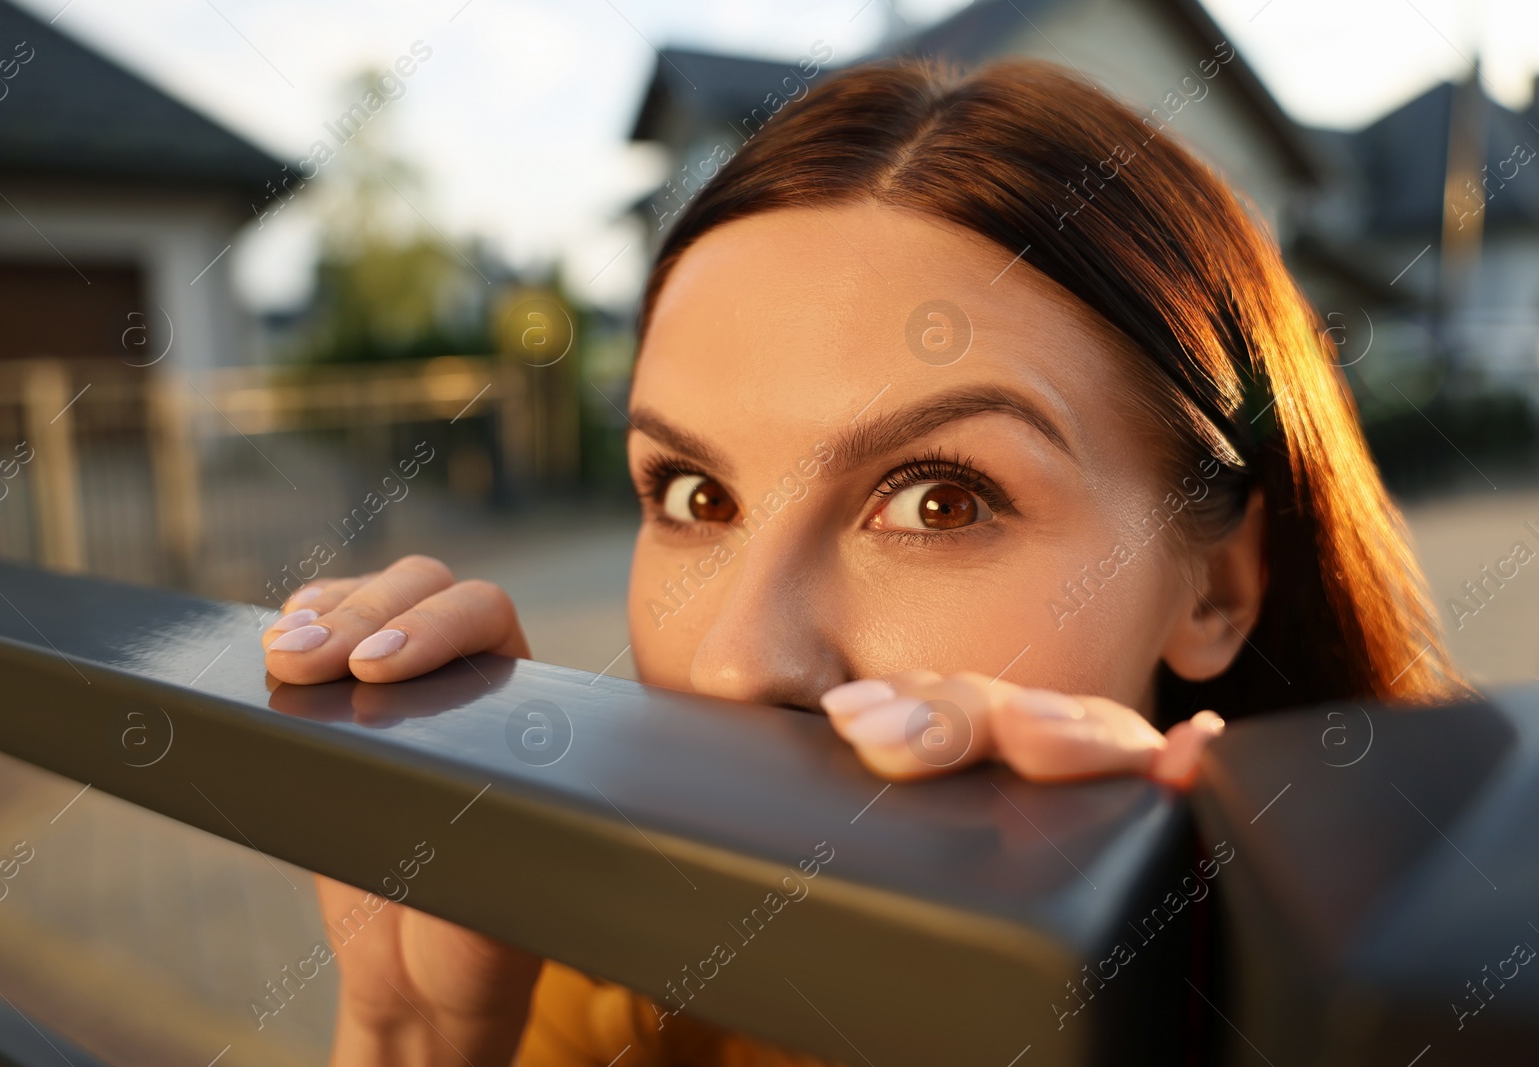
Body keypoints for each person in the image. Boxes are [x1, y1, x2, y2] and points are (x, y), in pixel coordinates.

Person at [260, 58, 1462, 1067]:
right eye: (692, 492)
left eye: (940, 500)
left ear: (1217, 586)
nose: (733, 660)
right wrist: (409, 1036)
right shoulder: (592, 987)